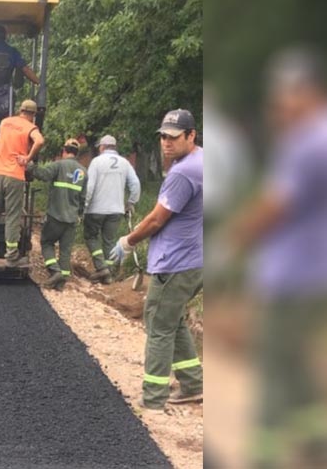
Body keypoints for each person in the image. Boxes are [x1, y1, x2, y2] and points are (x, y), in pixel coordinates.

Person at [219, 47, 327, 466]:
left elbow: (274, 206)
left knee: (272, 365)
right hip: (318, 271)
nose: (280, 108)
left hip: (297, 275)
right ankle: (318, 440)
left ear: (307, 91)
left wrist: (232, 240)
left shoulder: (309, 141)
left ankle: (264, 454)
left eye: (286, 97)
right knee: (298, 358)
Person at [109, 108, 203, 412]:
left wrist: (128, 240)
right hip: (197, 257)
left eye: (174, 137)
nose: (166, 142)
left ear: (191, 135)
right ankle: (192, 384)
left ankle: (153, 397)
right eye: (163, 136)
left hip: (177, 263)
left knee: (158, 326)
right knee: (173, 322)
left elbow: (156, 220)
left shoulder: (183, 172)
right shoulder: (203, 161)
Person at [0, 99, 44, 267]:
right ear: (32, 115)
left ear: (20, 110)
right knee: (12, 217)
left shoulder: (5, 122)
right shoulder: (30, 127)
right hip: (15, 174)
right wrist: (28, 158)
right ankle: (11, 257)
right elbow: (39, 141)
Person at [28, 138, 87, 290]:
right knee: (65, 250)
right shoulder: (83, 172)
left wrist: (30, 165)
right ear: (76, 153)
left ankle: (55, 271)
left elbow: (43, 174)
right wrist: (79, 214)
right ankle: (61, 283)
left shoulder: (59, 165)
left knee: (46, 243)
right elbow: (83, 197)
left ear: (64, 151)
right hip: (72, 219)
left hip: (56, 216)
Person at [84, 134, 141, 284]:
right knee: (109, 241)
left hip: (96, 209)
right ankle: (108, 274)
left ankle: (101, 267)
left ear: (102, 147)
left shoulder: (96, 162)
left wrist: (84, 206)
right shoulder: (125, 163)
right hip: (116, 209)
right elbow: (135, 185)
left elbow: (89, 187)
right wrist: (130, 203)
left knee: (91, 237)